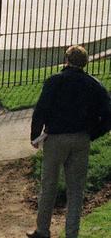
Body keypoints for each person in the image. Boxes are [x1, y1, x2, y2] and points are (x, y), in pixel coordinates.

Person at [27, 45, 111, 238]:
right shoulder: (94, 85)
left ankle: (42, 230)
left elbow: (40, 110)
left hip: (55, 138)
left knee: (48, 185)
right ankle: (72, 233)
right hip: (81, 138)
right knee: (76, 190)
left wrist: (35, 135)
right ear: (85, 63)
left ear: (67, 60)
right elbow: (108, 114)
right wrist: (93, 133)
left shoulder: (54, 81)